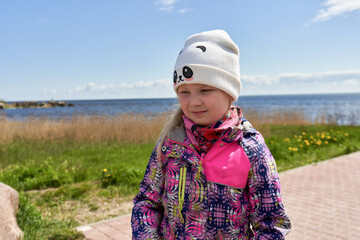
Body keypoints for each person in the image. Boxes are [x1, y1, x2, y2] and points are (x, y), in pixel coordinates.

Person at [131, 29, 291, 239]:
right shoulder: (170, 142)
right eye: (184, 92)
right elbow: (147, 202)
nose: (194, 101)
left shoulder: (251, 148)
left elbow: (272, 225)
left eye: (205, 90)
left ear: (229, 92)